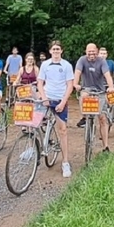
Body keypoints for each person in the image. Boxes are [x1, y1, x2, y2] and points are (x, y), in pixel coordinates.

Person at [37, 40, 75, 177]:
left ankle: (65, 162)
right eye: (54, 49)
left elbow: (70, 85)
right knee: (34, 123)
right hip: (47, 97)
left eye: (58, 49)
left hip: (60, 99)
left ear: (61, 51)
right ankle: (32, 147)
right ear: (50, 51)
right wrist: (43, 97)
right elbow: (40, 83)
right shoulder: (45, 64)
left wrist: (63, 102)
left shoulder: (66, 65)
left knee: (62, 130)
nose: (56, 51)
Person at [74, 43, 114, 153]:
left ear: (97, 51)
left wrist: (111, 87)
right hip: (86, 88)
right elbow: (77, 73)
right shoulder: (82, 60)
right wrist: (76, 84)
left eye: (93, 51)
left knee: (102, 118)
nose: (91, 53)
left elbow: (107, 75)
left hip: (99, 91)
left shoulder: (101, 61)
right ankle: (84, 118)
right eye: (89, 51)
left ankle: (105, 146)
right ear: (86, 51)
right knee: (83, 95)